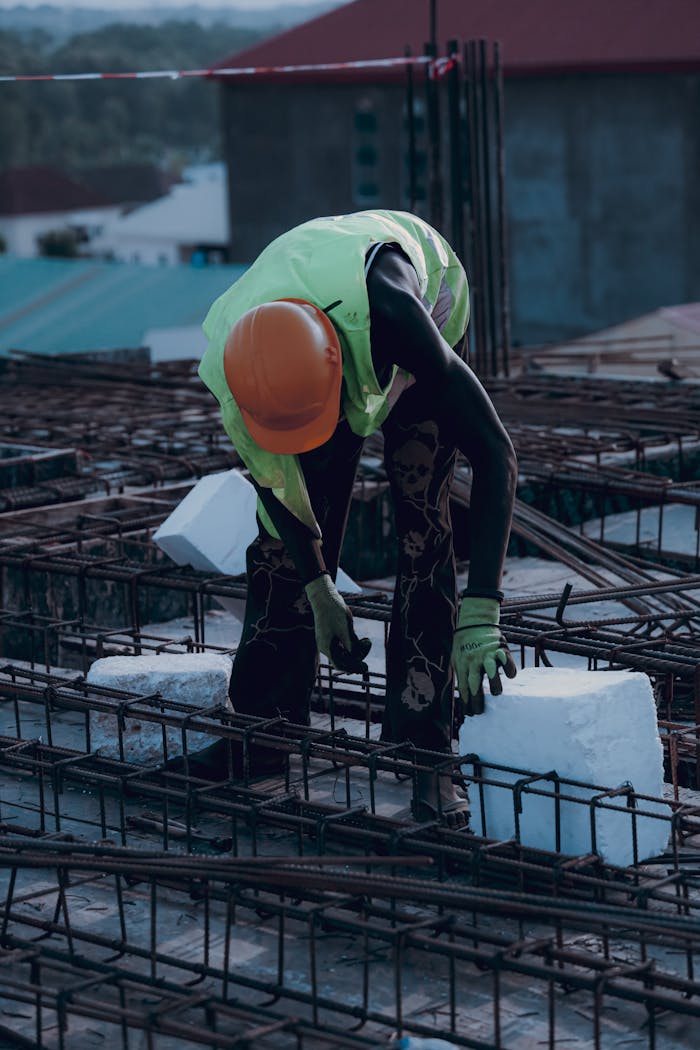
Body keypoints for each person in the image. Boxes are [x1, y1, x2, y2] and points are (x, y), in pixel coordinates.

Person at [195, 209, 517, 826]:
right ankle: (262, 735)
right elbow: (275, 487)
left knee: (424, 527)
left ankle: (426, 752)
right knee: (278, 549)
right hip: (313, 346)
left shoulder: (399, 319)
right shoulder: (238, 371)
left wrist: (483, 610)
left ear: (338, 371)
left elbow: (497, 454)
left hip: (421, 323)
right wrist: (317, 585)